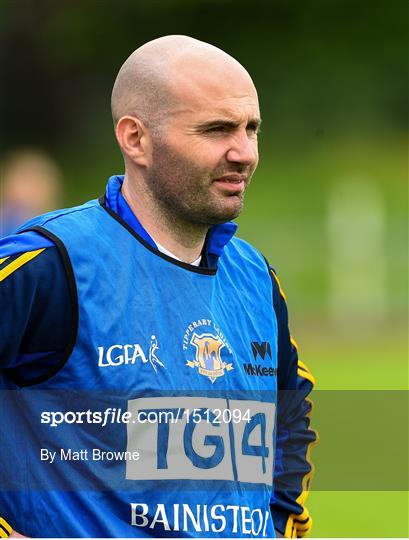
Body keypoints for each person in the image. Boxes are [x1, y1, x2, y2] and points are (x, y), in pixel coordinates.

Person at [0, 35, 316, 538]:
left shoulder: (255, 277)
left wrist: (279, 524)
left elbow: (290, 414)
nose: (245, 153)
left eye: (251, 128)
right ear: (136, 139)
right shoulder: (50, 265)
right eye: (216, 130)